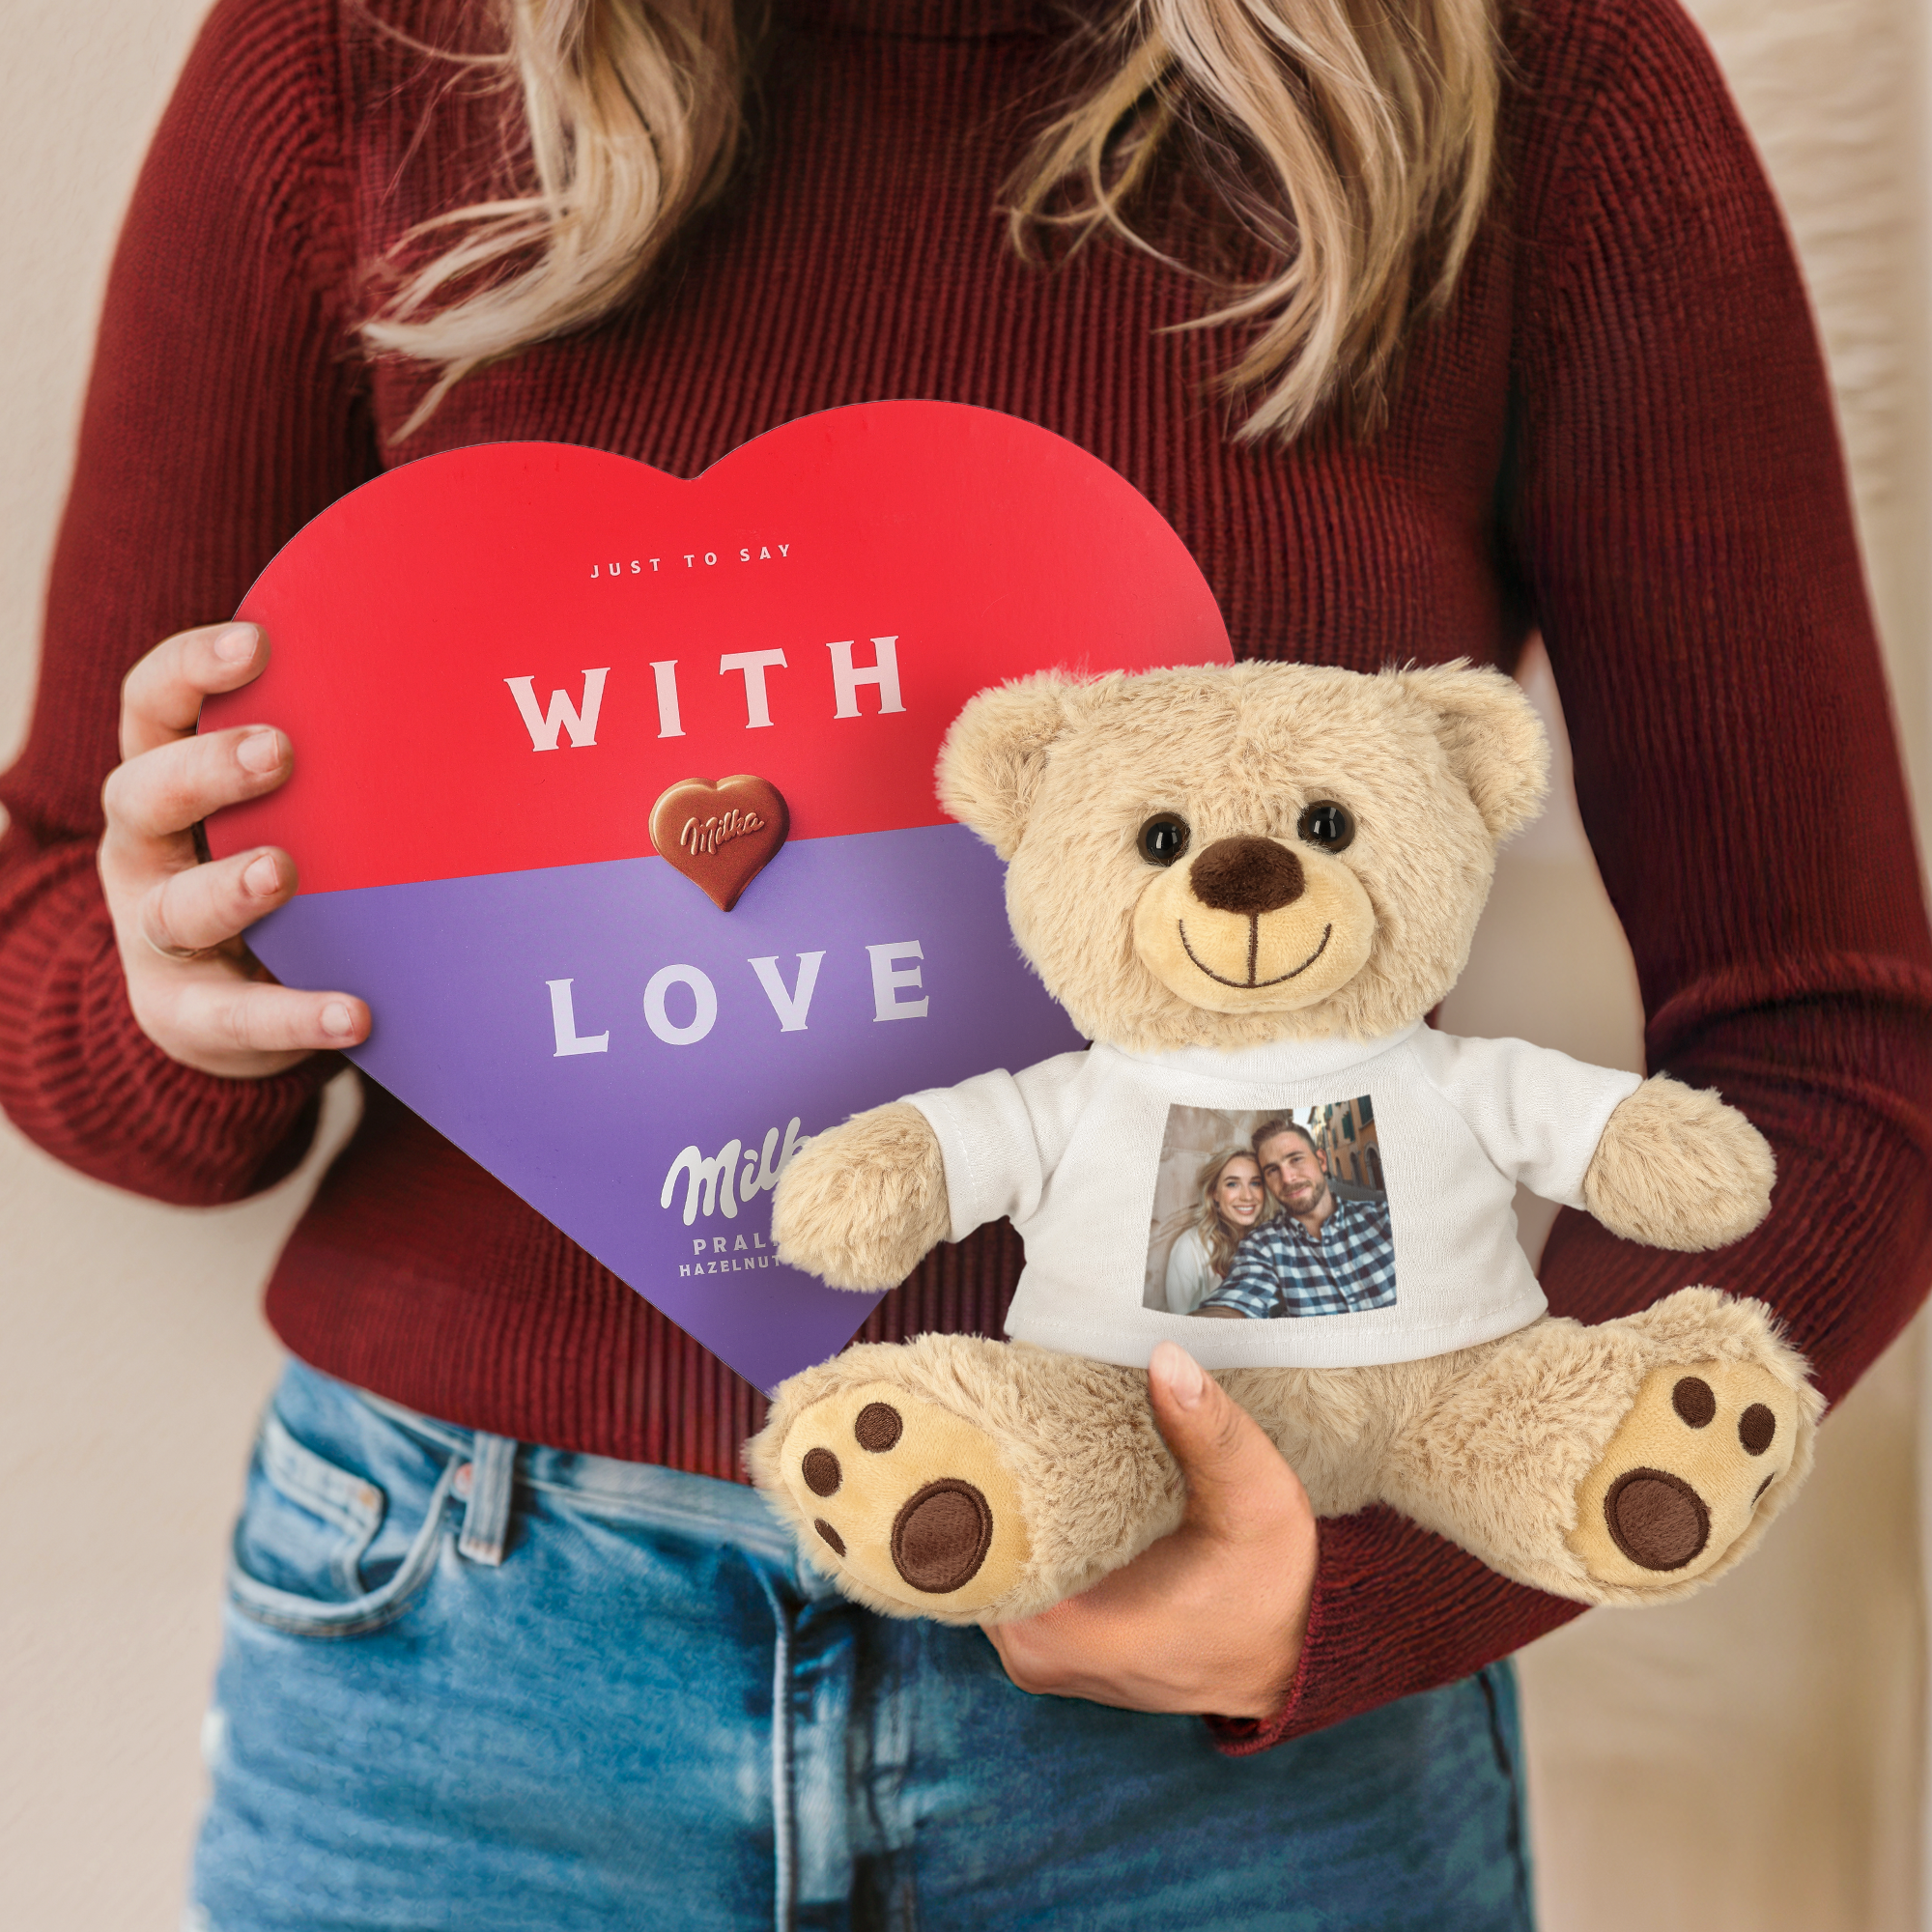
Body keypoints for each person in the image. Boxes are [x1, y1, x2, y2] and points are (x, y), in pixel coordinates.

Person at [2, 0, 1928, 1922]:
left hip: (1237, 1779)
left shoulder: (1537, 74)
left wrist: (1385, 1574)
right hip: (467, 1684)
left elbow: (1832, 1049)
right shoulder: (356, 50)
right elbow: (58, 945)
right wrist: (184, 1000)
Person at [1196, 1121, 1398, 1320]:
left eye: (1295, 1159)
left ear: (1321, 1161)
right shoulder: (1262, 1245)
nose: (1287, 1178)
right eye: (1273, 1170)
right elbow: (1237, 1298)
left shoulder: (1385, 1217)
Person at [1162, 1145, 1274, 1313]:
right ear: (1215, 1193)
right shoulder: (1189, 1248)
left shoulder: (1267, 1240)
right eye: (1232, 1184)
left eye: (1255, 1183)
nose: (1247, 1196)